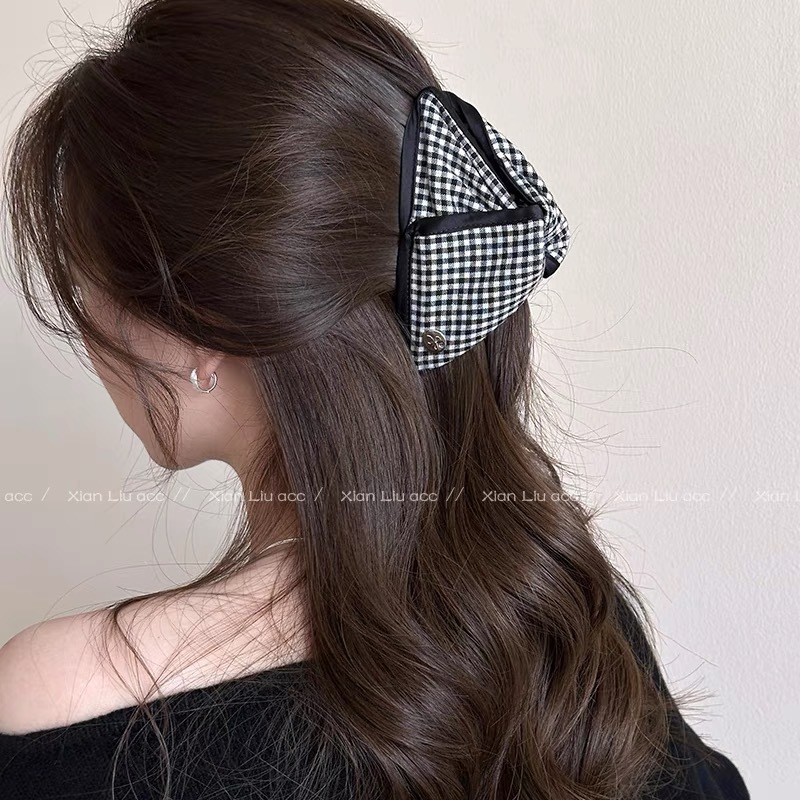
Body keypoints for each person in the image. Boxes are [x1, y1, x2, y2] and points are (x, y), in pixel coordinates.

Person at [0, 1, 750, 798]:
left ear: (196, 327)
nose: (87, 324)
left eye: (84, 279)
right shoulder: (566, 616)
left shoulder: (66, 709)